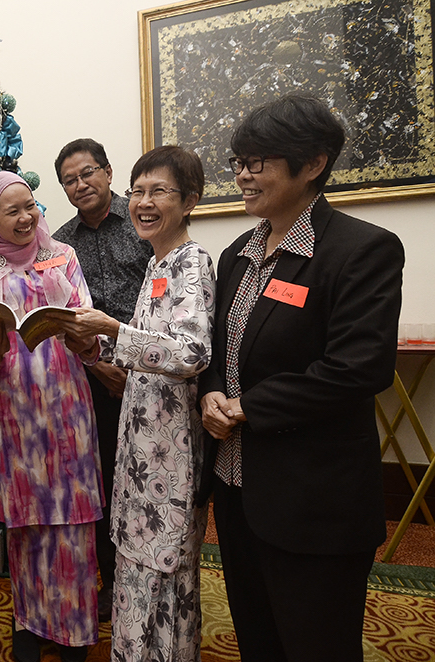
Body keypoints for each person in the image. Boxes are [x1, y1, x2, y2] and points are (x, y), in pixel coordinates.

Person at [198, 95, 404, 662]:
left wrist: (245, 408)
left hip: (314, 498)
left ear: (312, 164)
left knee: (317, 643)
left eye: (258, 161)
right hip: (239, 489)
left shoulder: (361, 250)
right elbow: (221, 346)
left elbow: (359, 366)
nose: (242, 174)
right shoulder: (240, 251)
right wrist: (214, 387)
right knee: (258, 637)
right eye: (239, 160)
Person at [51, 146, 214, 661]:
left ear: (188, 201)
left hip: (168, 443)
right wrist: (92, 344)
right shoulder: (159, 263)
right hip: (140, 437)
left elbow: (191, 351)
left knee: (164, 569)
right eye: (139, 192)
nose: (143, 203)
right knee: (138, 564)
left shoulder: (191, 263)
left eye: (157, 192)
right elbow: (150, 340)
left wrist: (114, 331)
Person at [0, 171, 104, 662]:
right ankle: (32, 624)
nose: (27, 218)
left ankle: (76, 629)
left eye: (31, 206)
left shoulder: (63, 255)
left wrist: (85, 336)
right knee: (28, 521)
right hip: (17, 409)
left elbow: (86, 320)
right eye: (13, 210)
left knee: (74, 520)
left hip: (68, 403)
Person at [52, 139, 153, 619]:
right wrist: (98, 365)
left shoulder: (141, 219)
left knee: (146, 479)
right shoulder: (60, 242)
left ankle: (149, 577)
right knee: (100, 477)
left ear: (108, 172)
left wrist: (132, 359)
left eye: (88, 173)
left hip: (151, 370)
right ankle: (109, 580)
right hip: (90, 377)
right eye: (69, 180)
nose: (80, 185)